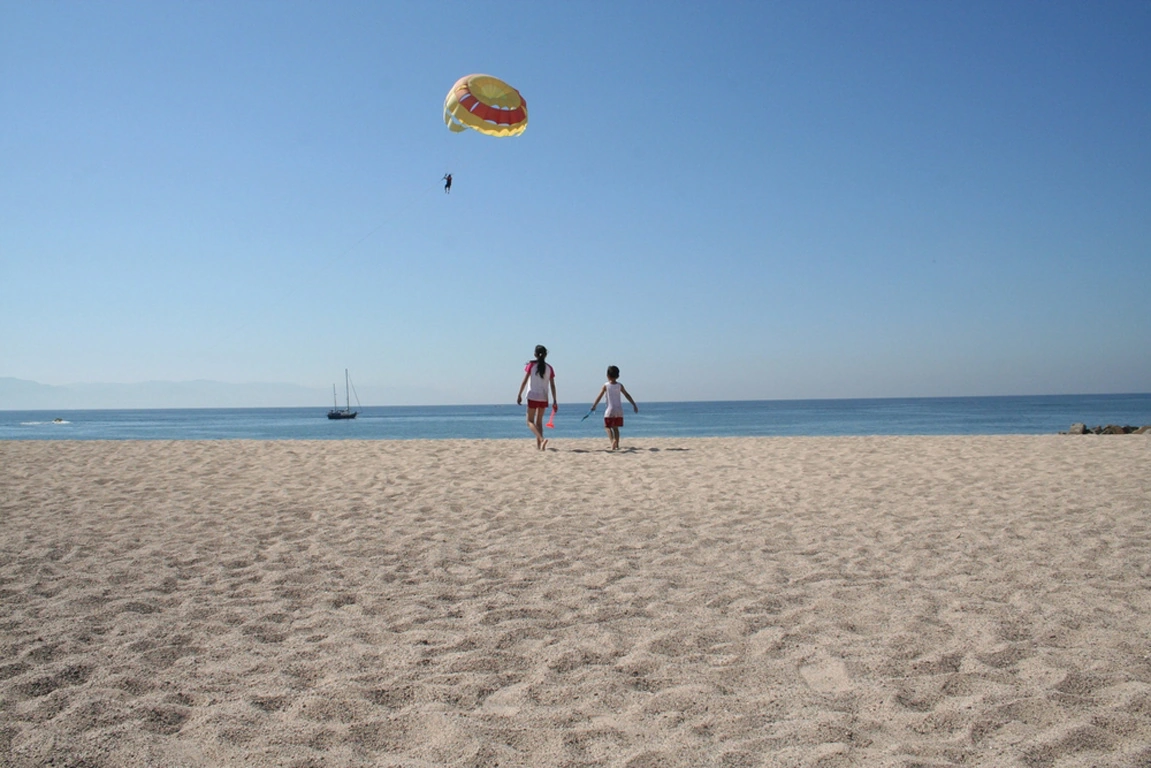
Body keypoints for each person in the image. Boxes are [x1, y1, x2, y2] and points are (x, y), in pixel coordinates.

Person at [516, 345, 557, 450]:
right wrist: (555, 399)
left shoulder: (531, 365)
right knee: (539, 422)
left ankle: (541, 439)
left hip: (532, 395)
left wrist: (519, 394)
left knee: (529, 421)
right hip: (543, 397)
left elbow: (525, 381)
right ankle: (540, 447)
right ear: (545, 355)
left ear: (535, 354)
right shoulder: (549, 368)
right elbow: (552, 385)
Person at [590, 365, 638, 451]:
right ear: (618, 376)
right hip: (619, 410)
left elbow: (599, 396)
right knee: (616, 428)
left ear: (607, 375)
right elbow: (627, 395)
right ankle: (617, 444)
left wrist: (594, 406)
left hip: (610, 409)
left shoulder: (606, 385)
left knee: (607, 427)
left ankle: (612, 441)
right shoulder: (620, 385)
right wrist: (634, 404)